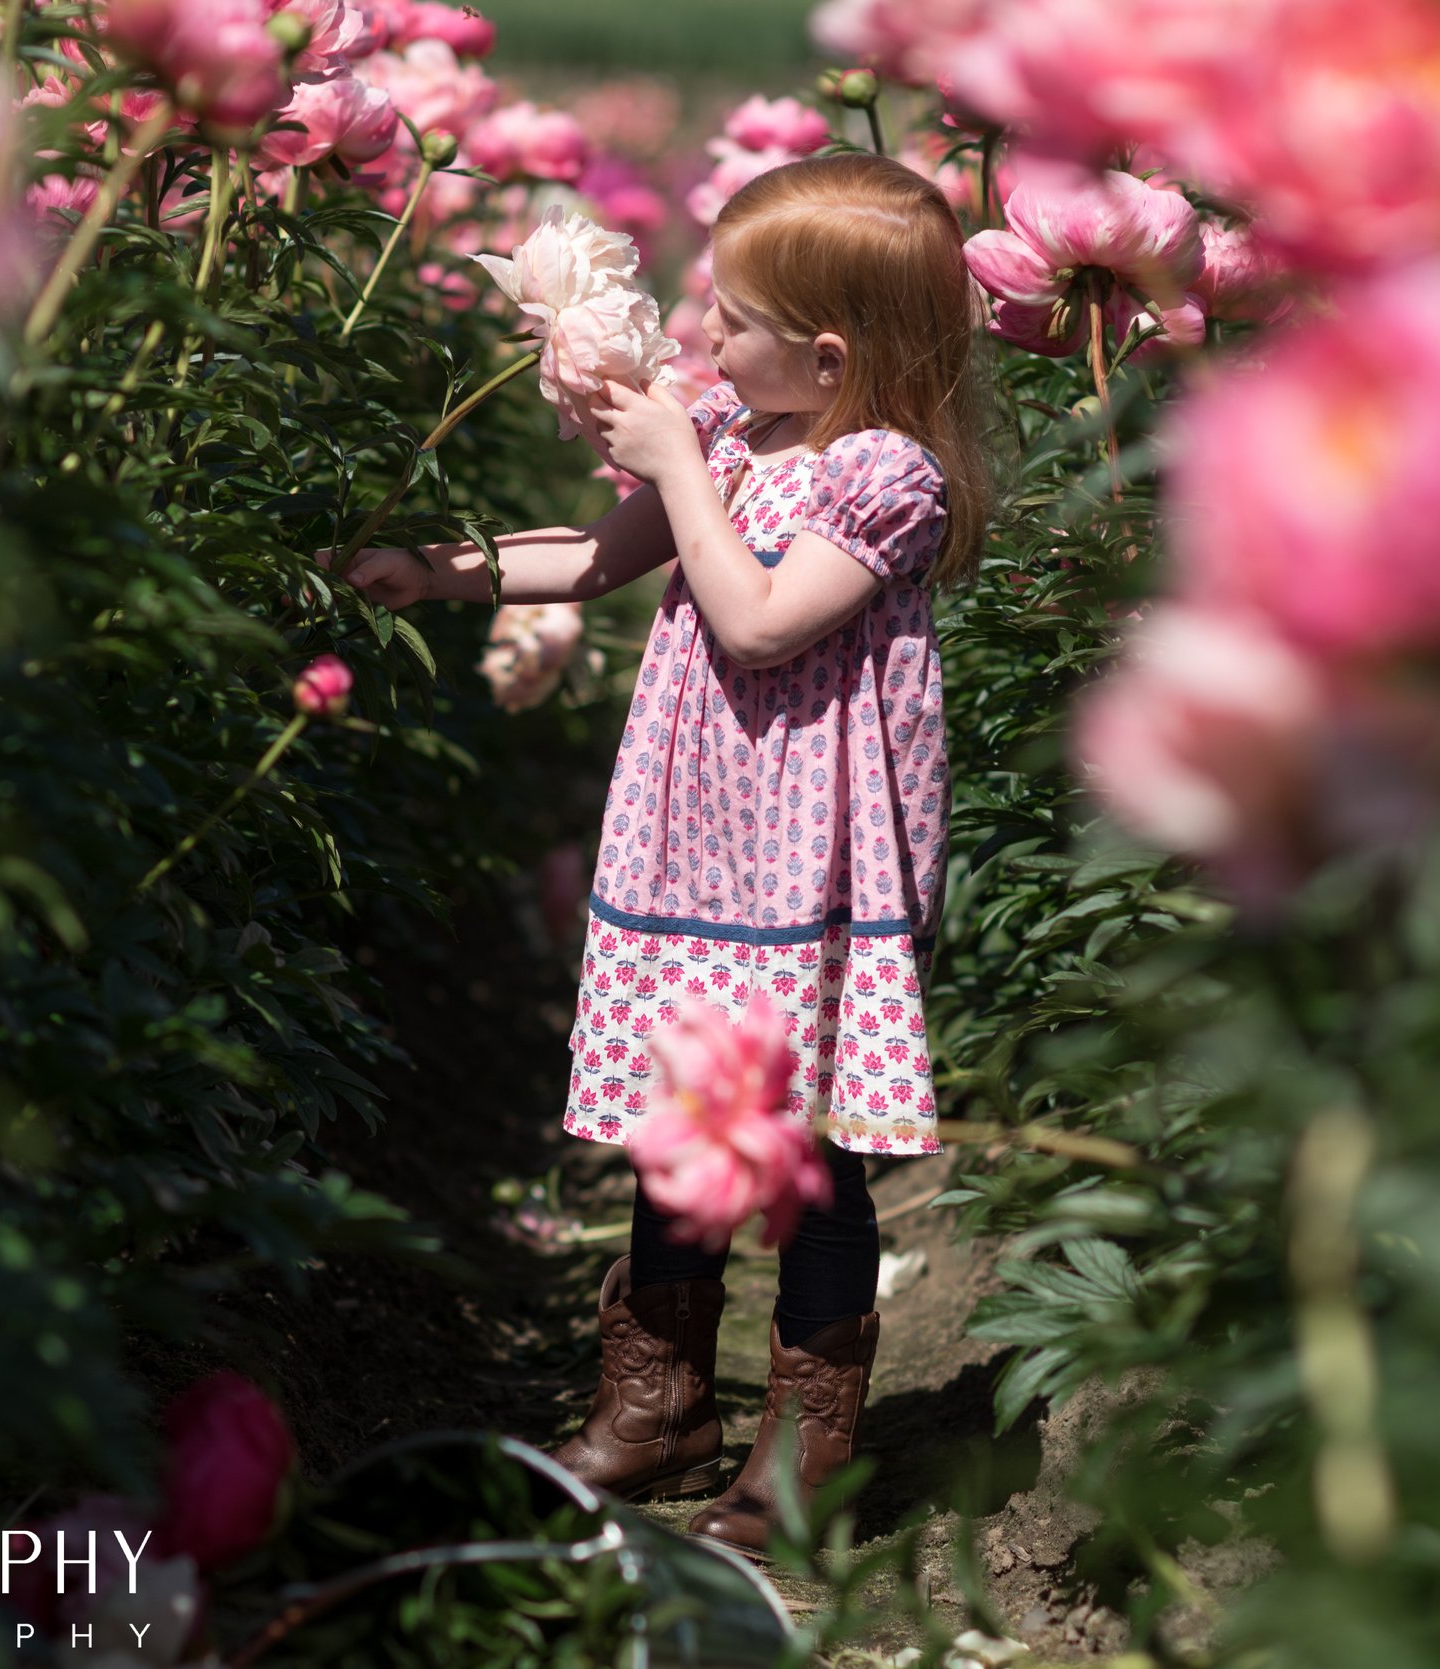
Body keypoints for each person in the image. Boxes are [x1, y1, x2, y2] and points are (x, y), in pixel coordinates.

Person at [334, 150, 991, 1554]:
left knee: (804, 1146)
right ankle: (659, 1402)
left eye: (728, 317)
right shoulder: (738, 437)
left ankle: (806, 1446)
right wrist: (442, 570)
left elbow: (756, 619)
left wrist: (686, 460)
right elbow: (591, 557)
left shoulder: (885, 479)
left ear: (828, 352)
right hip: (694, 843)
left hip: (810, 865)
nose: (701, 337)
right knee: (676, 1117)